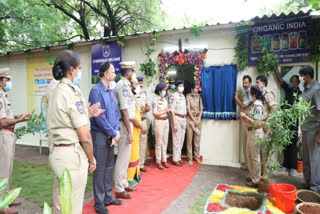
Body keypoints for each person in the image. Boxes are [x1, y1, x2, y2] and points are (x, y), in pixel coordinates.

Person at [47, 50, 97, 214]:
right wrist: (91, 159)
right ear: (71, 70)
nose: (80, 72)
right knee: (73, 206)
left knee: (60, 202)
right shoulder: (70, 93)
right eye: (79, 68)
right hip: (71, 156)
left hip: (57, 152)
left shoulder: (54, 90)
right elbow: (85, 138)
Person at [88, 62, 122, 214]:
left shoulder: (111, 91)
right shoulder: (96, 91)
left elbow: (115, 113)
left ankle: (108, 197)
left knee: (109, 167)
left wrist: (117, 130)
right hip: (100, 135)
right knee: (100, 169)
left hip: (111, 135)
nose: (115, 74)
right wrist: (113, 133)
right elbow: (98, 118)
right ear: (105, 73)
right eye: (113, 71)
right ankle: (99, 202)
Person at [0, 68, 31, 214]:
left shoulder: (4, 96)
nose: (9, 82)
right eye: (7, 80)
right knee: (2, 171)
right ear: (0, 82)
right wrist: (19, 120)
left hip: (9, 135)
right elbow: (2, 122)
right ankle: (2, 206)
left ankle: (7, 197)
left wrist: (19, 116)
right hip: (3, 135)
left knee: (8, 169)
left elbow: (8, 117)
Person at [114, 61, 137, 199]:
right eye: (132, 71)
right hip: (124, 125)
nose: (133, 74)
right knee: (122, 158)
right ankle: (119, 188)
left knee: (126, 157)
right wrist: (129, 131)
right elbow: (124, 110)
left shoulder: (126, 85)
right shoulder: (122, 86)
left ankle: (123, 183)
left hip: (127, 124)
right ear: (128, 72)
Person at [297, 66, 320, 193]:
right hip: (305, 128)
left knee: (314, 159)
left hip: (314, 129)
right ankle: (307, 182)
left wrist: (319, 135)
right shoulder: (305, 89)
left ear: (307, 75)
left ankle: (315, 186)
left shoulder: (316, 89)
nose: (300, 78)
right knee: (306, 158)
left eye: (301, 76)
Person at [275, 72, 301, 177]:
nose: (292, 83)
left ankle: (293, 168)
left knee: (293, 145)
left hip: (294, 123)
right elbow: (281, 81)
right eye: (291, 81)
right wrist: (276, 69)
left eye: (294, 81)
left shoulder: (301, 93)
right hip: (285, 122)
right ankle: (285, 165)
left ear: (298, 82)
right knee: (285, 143)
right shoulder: (288, 90)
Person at [240, 85, 265, 188]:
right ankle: (252, 175)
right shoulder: (254, 104)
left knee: (255, 157)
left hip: (256, 133)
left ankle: (256, 180)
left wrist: (245, 117)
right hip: (250, 132)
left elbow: (256, 122)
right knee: (249, 155)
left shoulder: (258, 106)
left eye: (250, 93)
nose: (249, 95)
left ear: (253, 94)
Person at [127, 77, 147, 185]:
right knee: (132, 154)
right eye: (136, 84)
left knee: (136, 153)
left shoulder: (134, 96)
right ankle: (129, 178)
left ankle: (136, 175)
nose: (138, 86)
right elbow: (131, 116)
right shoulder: (129, 97)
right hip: (133, 128)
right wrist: (142, 127)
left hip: (136, 129)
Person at [234, 75, 253, 170]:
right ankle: (247, 163)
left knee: (247, 144)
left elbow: (243, 105)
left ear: (250, 83)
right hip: (245, 121)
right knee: (245, 143)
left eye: (246, 83)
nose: (244, 85)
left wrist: (236, 97)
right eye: (243, 83)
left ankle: (249, 165)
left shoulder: (250, 93)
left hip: (248, 121)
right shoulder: (246, 93)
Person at [152, 83, 171, 170]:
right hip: (159, 121)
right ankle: (158, 161)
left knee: (165, 142)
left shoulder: (165, 100)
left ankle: (164, 160)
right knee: (159, 143)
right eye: (163, 90)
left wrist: (168, 111)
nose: (165, 91)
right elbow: (155, 113)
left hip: (166, 121)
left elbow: (167, 110)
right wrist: (165, 111)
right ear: (159, 91)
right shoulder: (155, 100)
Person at [170, 80, 187, 166]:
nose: (182, 87)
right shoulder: (174, 96)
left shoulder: (183, 96)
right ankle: (175, 159)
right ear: (177, 87)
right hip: (177, 118)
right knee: (176, 139)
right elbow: (172, 111)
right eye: (180, 86)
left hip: (183, 119)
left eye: (182, 86)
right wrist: (174, 124)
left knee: (181, 140)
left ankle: (179, 157)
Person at [186, 82, 203, 165]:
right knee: (189, 139)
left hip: (197, 119)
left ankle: (196, 157)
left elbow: (201, 109)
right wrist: (194, 119)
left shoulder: (199, 97)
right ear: (192, 89)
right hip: (190, 119)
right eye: (195, 88)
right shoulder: (188, 97)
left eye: (197, 88)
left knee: (197, 140)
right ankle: (190, 158)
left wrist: (198, 119)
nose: (197, 90)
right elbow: (188, 110)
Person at [136, 76, 150, 172]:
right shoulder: (133, 94)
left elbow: (147, 106)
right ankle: (134, 164)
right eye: (139, 83)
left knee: (143, 143)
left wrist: (147, 108)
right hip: (136, 121)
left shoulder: (144, 94)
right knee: (136, 143)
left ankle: (141, 164)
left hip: (144, 120)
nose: (141, 84)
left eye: (142, 83)